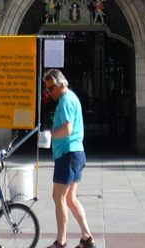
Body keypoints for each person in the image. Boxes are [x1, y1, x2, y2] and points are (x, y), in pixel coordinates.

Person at [44, 69, 94, 248]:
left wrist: (50, 135)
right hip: (76, 153)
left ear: (60, 84)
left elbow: (67, 129)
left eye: (50, 87)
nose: (49, 91)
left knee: (59, 197)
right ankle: (87, 237)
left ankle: (61, 241)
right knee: (70, 198)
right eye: (47, 88)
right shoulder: (72, 97)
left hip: (68, 153)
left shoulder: (65, 101)